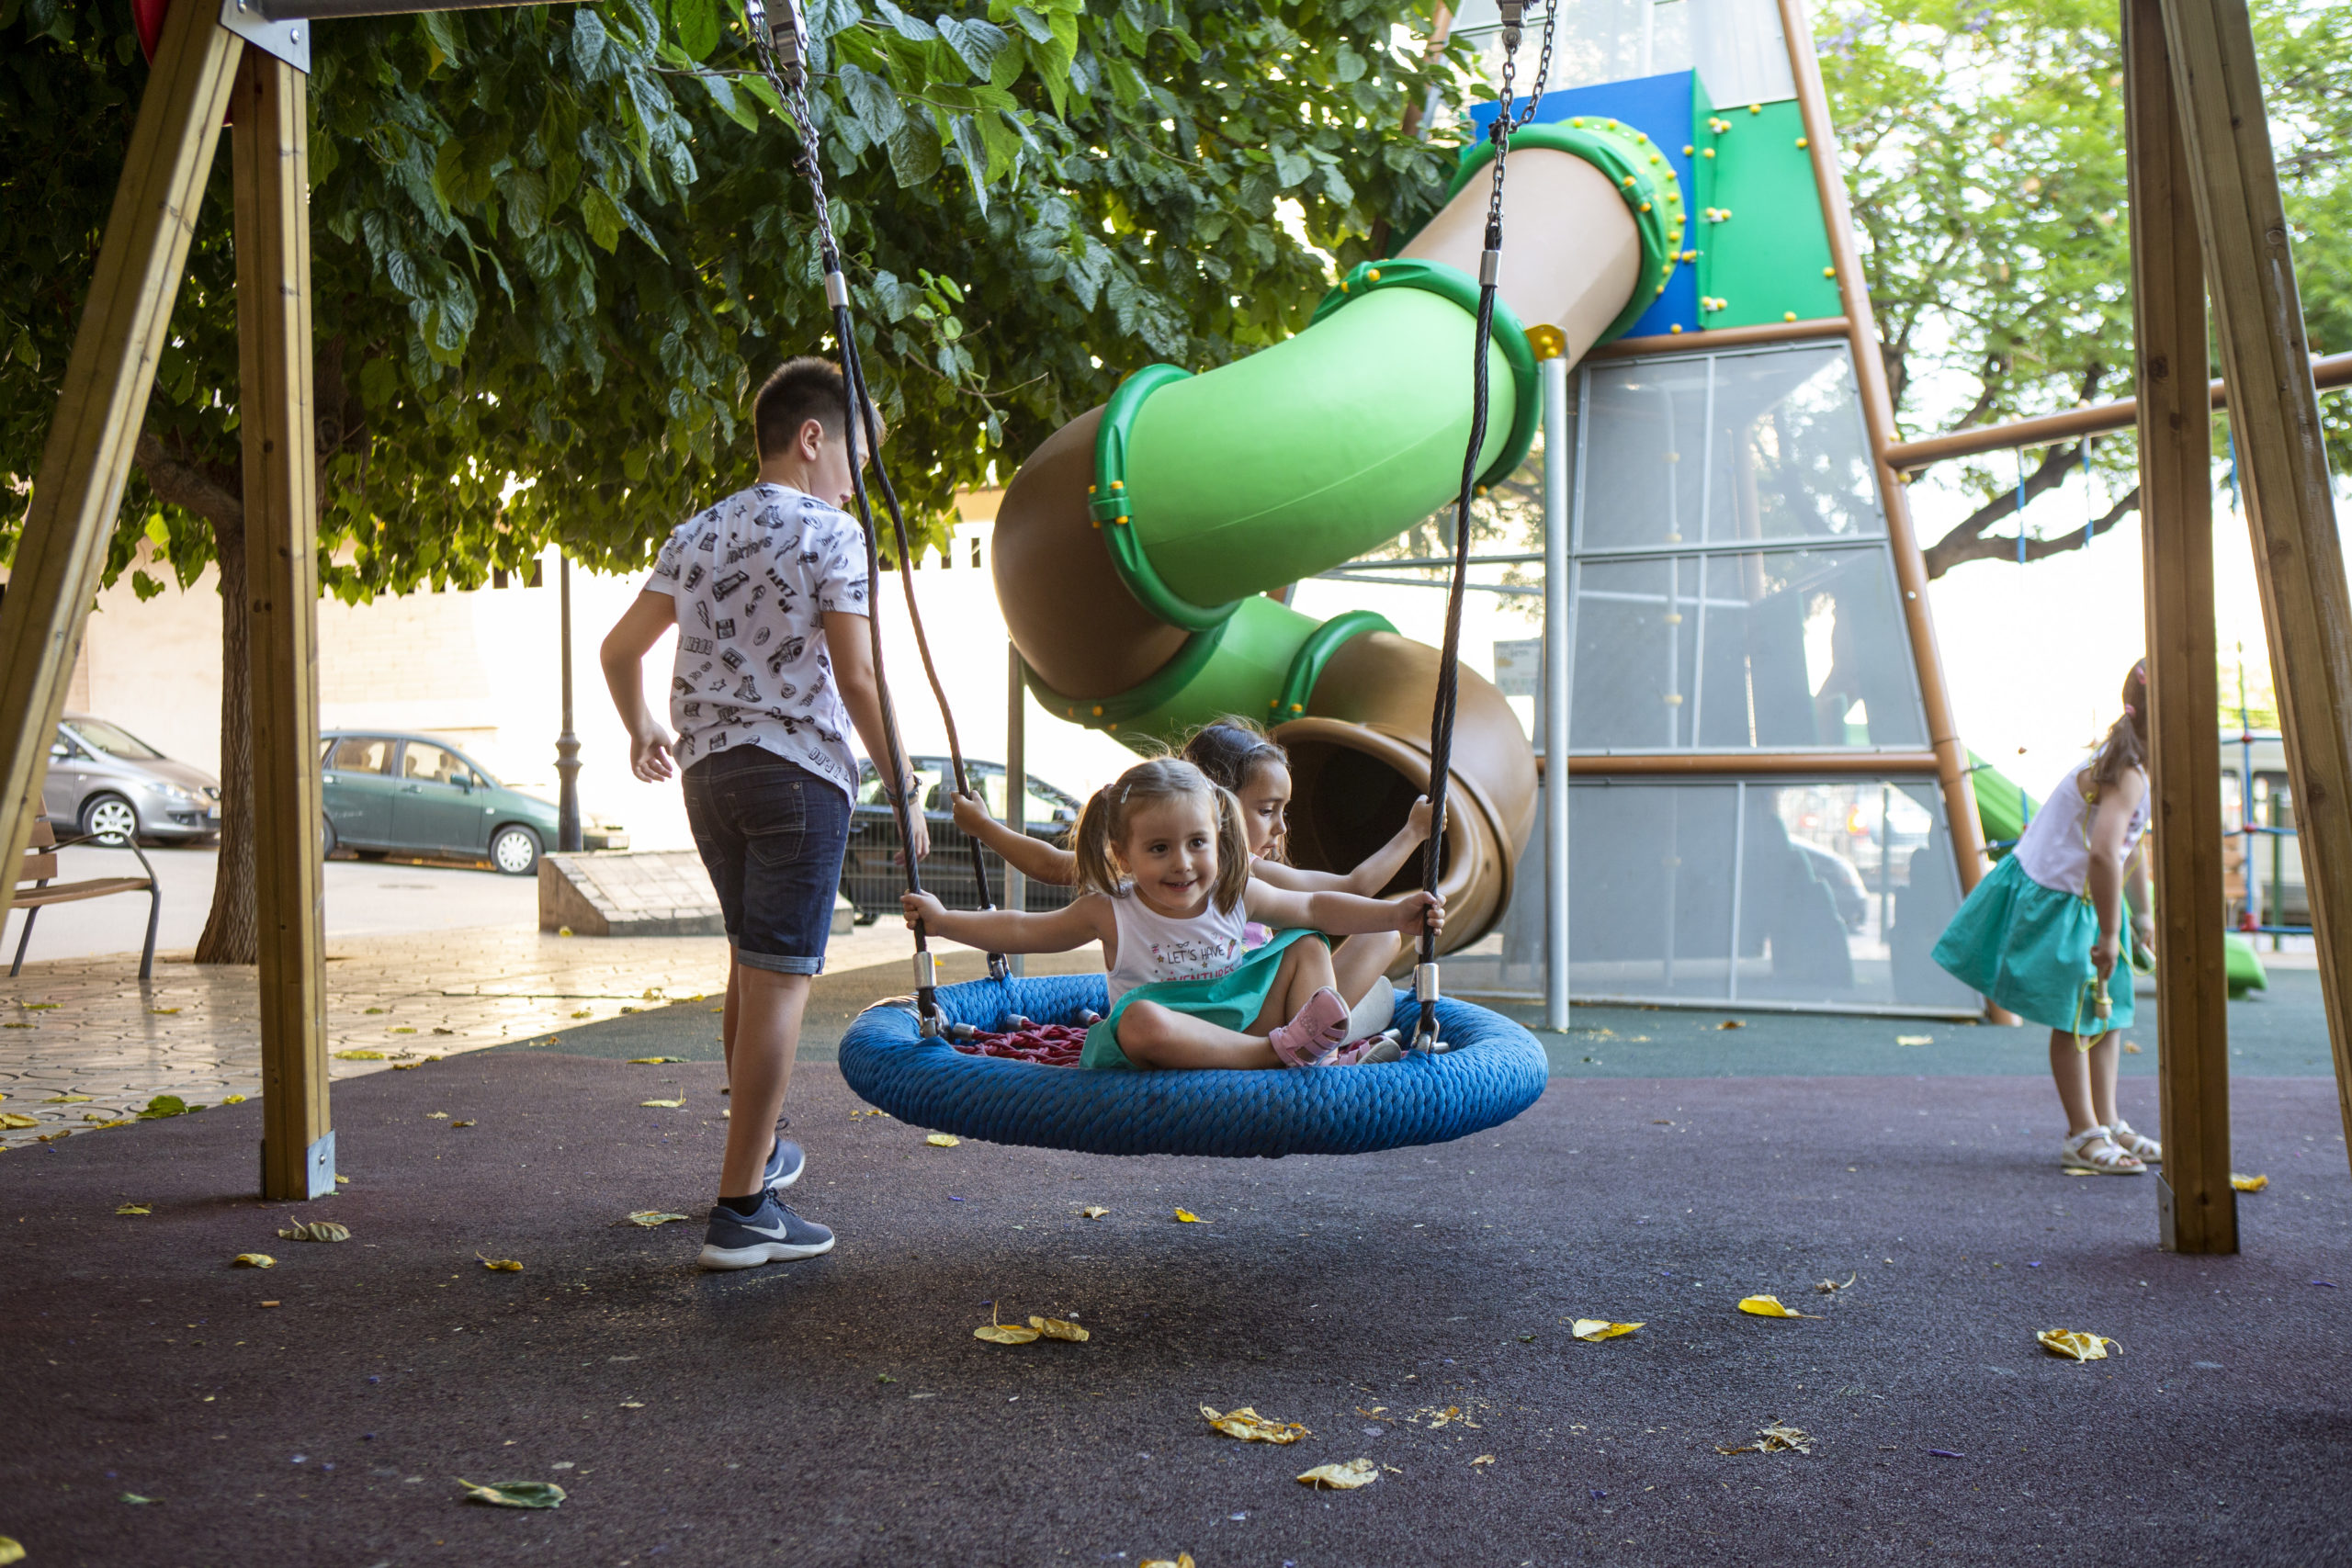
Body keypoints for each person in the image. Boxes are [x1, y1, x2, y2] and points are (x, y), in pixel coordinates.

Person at [601, 355, 930, 1270]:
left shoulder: (696, 534)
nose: (856, 479)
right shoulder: (832, 532)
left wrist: (643, 728)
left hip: (709, 778)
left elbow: (619, 648)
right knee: (781, 979)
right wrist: (902, 787)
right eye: (855, 456)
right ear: (812, 437)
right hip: (796, 775)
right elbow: (857, 677)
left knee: (750, 971)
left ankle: (765, 1147)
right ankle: (741, 1209)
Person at [905, 758, 1440, 1070]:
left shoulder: (1236, 891)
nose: (1182, 864)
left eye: (1197, 843)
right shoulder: (1110, 909)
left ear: (1219, 839)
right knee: (1135, 1020)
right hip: (1169, 1037)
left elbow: (1318, 905)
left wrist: (1396, 915)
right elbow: (1024, 929)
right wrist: (945, 920)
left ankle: (1312, 1056)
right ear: (1122, 851)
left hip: (1240, 1019)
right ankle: (1276, 1058)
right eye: (1159, 848)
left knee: (1305, 941)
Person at [1933, 662, 2159, 1175]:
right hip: (2062, 897)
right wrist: (2107, 930)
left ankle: (2109, 1121)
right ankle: (2082, 1133)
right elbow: (2103, 853)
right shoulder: (2126, 770)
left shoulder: (2139, 762)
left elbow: (2131, 847)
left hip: (2087, 897)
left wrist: (2138, 914)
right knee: (2076, 1014)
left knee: (2109, 1012)